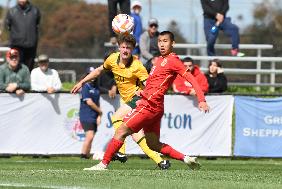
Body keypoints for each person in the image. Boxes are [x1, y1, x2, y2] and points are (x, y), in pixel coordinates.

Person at [80, 31, 210, 171]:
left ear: (173, 43)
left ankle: (103, 164)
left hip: (149, 105)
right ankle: (186, 158)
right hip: (156, 107)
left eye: (165, 41)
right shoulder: (159, 60)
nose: (161, 44)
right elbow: (154, 83)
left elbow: (191, 79)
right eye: (160, 41)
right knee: (153, 144)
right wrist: (143, 91)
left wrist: (201, 100)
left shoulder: (173, 61)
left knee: (121, 131)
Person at [71, 34, 169, 169]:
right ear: (118, 47)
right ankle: (161, 161)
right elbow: (98, 71)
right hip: (128, 102)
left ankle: (121, 152)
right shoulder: (112, 59)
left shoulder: (137, 66)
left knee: (117, 116)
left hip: (139, 101)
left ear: (133, 49)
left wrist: (143, 93)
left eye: (128, 47)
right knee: (137, 136)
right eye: (123, 47)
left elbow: (150, 86)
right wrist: (82, 82)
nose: (125, 50)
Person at [5, 0, 41, 71]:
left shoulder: (35, 11)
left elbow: (37, 24)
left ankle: (26, 82)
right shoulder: (11, 11)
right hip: (16, 45)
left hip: (31, 45)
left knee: (28, 70)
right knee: (15, 68)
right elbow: (7, 26)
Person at [79, 67, 102, 159]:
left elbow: (97, 102)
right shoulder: (85, 86)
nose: (93, 76)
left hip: (94, 115)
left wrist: (99, 115)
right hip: (86, 115)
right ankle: (83, 155)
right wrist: (100, 111)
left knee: (91, 137)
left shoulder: (95, 87)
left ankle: (87, 155)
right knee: (90, 136)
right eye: (90, 74)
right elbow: (89, 102)